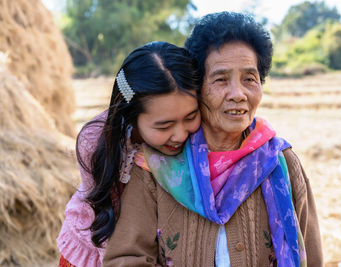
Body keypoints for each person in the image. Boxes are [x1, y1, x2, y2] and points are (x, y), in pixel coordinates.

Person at [103, 12, 323, 267]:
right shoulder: (156, 169)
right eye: (221, 79)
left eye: (249, 79)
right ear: (197, 87)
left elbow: (313, 257)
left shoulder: (281, 163)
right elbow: (126, 259)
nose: (238, 94)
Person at [57, 41, 202, 267]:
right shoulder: (95, 142)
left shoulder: (202, 138)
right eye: (164, 126)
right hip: (99, 246)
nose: (180, 135)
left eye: (191, 117)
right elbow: (106, 213)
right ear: (131, 115)